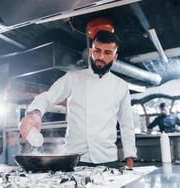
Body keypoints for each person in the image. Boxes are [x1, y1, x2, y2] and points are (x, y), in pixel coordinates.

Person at [20, 30, 136, 169]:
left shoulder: (121, 86)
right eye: (97, 51)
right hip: (75, 159)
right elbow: (48, 97)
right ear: (90, 51)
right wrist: (35, 113)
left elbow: (126, 124)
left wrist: (130, 156)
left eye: (107, 53)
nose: (100, 57)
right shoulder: (73, 77)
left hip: (107, 159)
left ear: (115, 56)